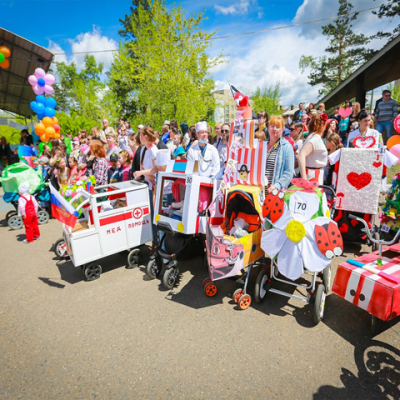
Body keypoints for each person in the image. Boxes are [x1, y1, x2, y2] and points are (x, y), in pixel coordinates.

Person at [134, 126, 159, 246]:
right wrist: (142, 174)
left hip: (156, 187)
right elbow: (143, 167)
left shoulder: (154, 150)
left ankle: (157, 243)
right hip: (149, 185)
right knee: (151, 215)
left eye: (140, 135)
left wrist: (142, 173)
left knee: (156, 216)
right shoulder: (144, 149)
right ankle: (155, 242)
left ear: (146, 137)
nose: (139, 137)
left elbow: (156, 169)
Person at [264, 115, 295, 194]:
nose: (274, 129)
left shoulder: (286, 147)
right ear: (268, 128)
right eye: (272, 126)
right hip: (258, 192)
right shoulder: (261, 145)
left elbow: (289, 172)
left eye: (278, 127)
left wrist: (277, 185)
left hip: (275, 193)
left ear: (282, 129)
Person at [298, 113, 328, 185]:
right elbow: (301, 155)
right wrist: (304, 179)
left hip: (313, 175)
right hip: (313, 178)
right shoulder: (315, 139)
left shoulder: (311, 137)